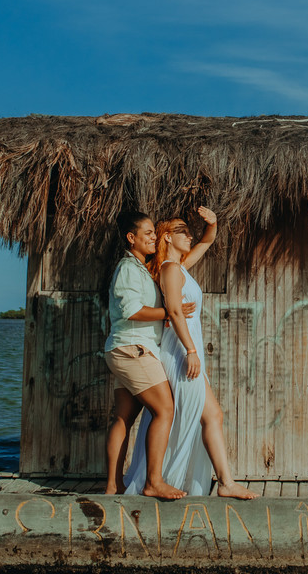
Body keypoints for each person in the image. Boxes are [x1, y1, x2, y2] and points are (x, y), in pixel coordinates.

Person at [124, 207, 257, 499]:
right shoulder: (170, 270)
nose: (190, 235)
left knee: (210, 415)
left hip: (186, 349)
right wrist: (191, 350)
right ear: (168, 237)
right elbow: (173, 311)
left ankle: (223, 482)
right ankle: (223, 483)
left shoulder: (180, 266)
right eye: (183, 231)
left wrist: (214, 223)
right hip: (180, 351)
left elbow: (206, 242)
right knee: (211, 415)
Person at [102, 210, 195, 499]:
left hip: (126, 348)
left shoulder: (142, 268)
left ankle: (112, 486)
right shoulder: (129, 268)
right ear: (132, 238)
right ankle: (154, 482)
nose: (154, 238)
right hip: (133, 349)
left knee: (123, 418)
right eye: (148, 234)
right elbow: (131, 310)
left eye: (155, 233)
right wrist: (169, 312)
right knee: (165, 409)